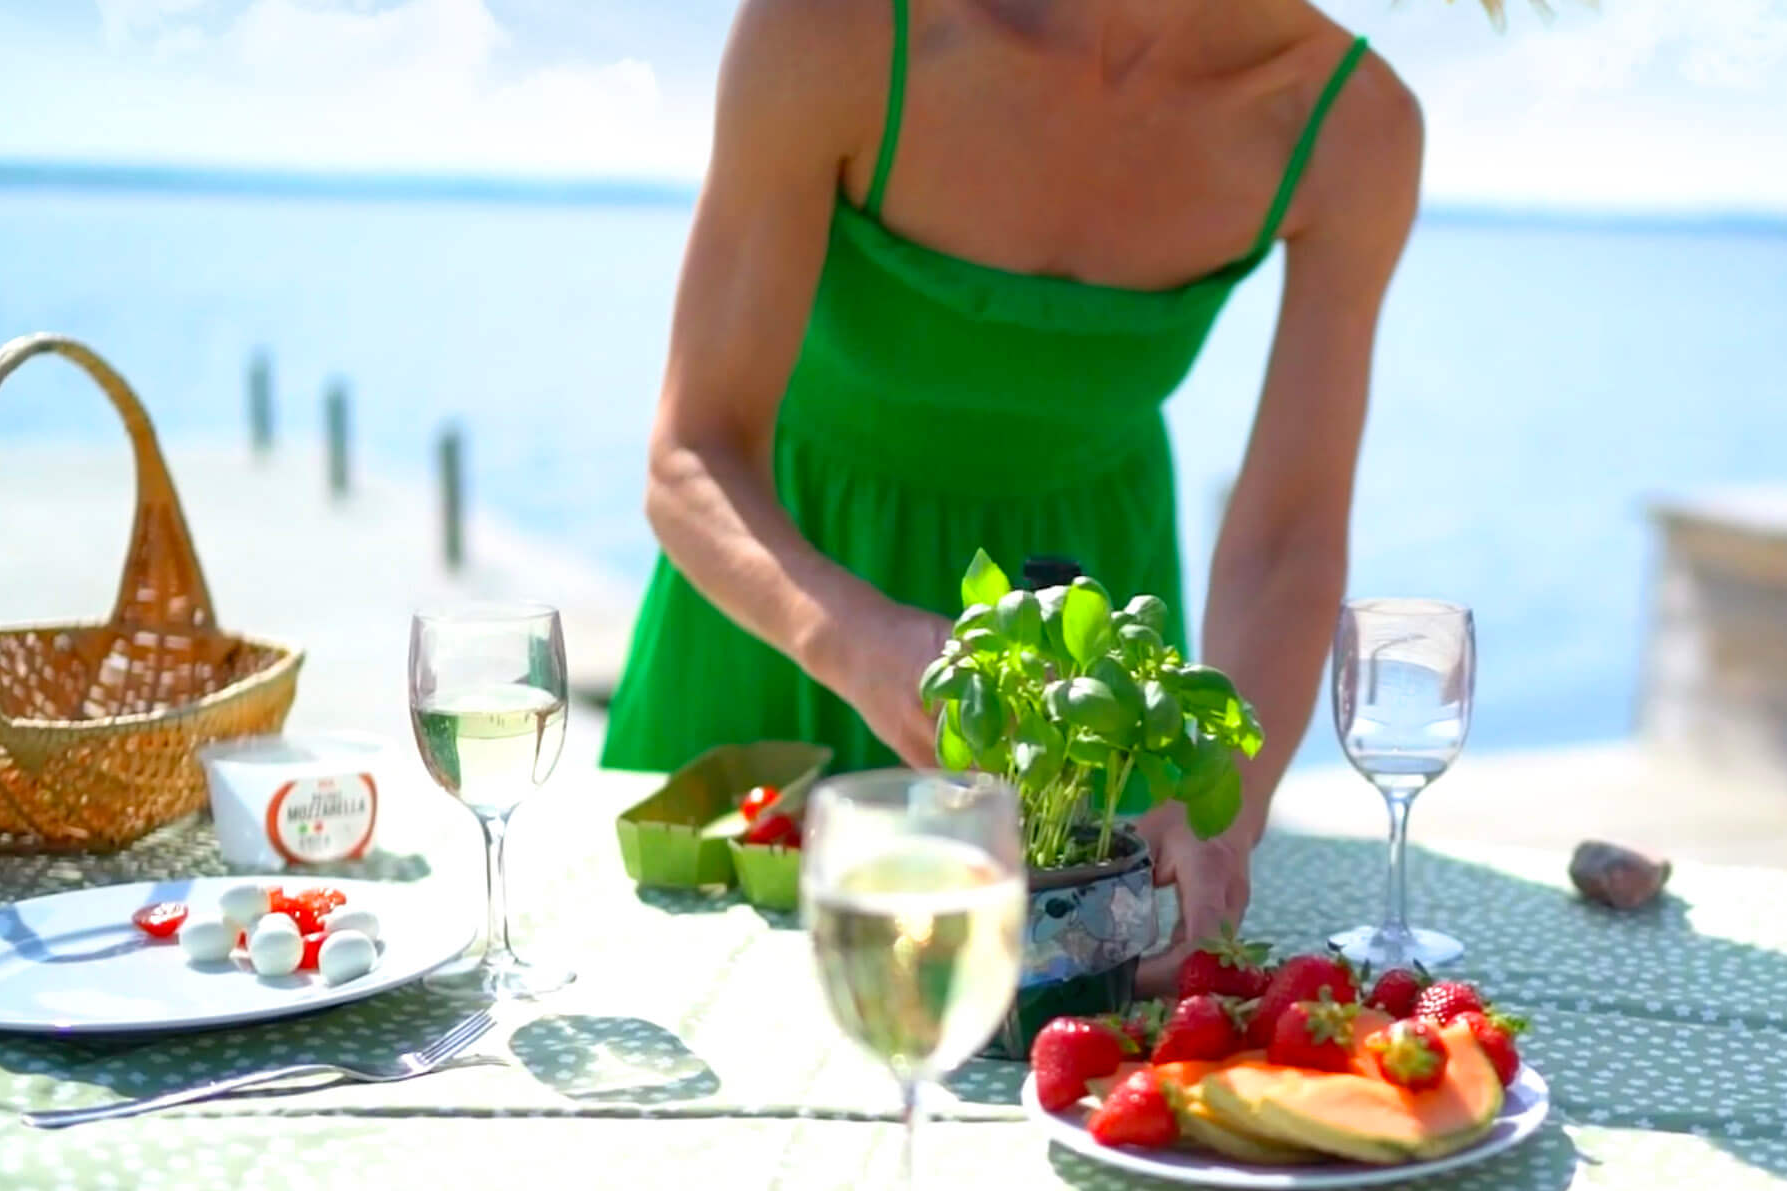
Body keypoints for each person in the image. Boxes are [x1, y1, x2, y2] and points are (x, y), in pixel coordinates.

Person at [599, 0, 1421, 979]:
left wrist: (1227, 807)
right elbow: (691, 454)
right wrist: (857, 644)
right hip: (781, 613)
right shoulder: (831, 25)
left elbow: (1289, 534)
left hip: (1092, 679)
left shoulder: (1352, 124)